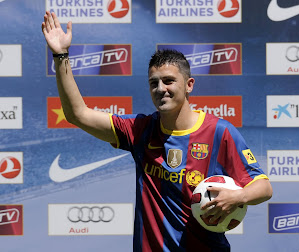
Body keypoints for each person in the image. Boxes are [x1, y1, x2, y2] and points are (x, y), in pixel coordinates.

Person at [42, 11, 273, 252]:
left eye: (169, 81)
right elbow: (77, 114)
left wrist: (238, 197)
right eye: (154, 83)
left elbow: (263, 187)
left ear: (189, 84)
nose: (161, 88)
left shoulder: (219, 132)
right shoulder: (139, 130)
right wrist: (61, 55)